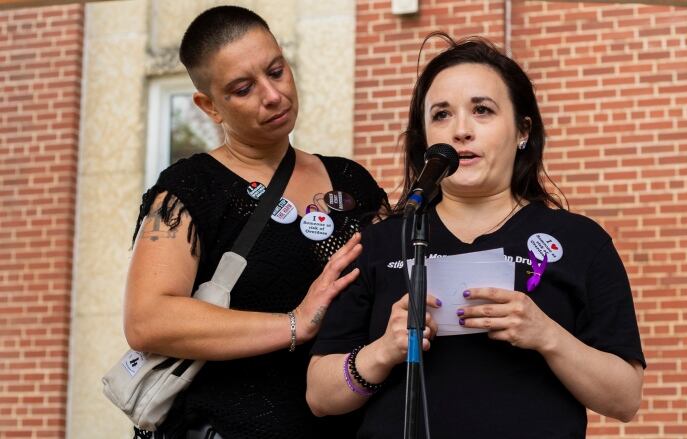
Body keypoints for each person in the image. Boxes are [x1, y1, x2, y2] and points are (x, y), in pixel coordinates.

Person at [306, 33, 646, 438]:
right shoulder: (381, 242)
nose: (461, 130)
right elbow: (319, 396)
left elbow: (624, 399)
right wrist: (384, 350)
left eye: (482, 110)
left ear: (523, 131)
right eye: (441, 115)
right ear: (423, 138)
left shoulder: (581, 242)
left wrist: (547, 335)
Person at [124, 6, 387, 438]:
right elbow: (148, 319)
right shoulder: (191, 187)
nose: (272, 95)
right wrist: (294, 323)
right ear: (209, 106)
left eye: (277, 71)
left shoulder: (351, 180)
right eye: (244, 88)